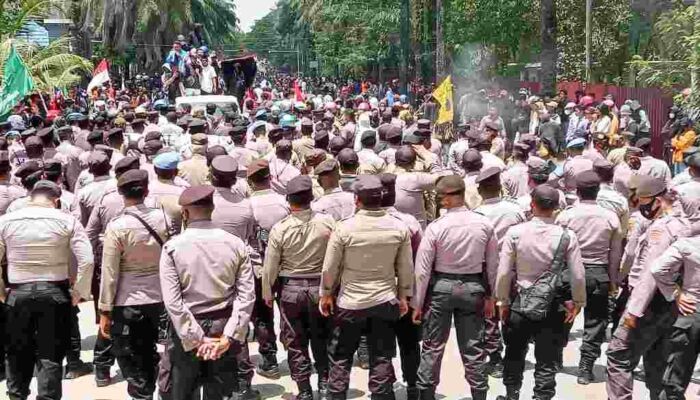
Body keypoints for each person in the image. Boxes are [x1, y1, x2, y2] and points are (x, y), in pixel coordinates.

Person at [320, 175, 413, 400]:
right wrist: (404, 297)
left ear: (356, 200)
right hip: (384, 301)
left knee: (341, 355)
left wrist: (326, 294)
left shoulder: (344, 229)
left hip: (350, 302)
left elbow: (330, 268)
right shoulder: (399, 228)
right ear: (380, 198)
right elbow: (406, 269)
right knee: (381, 356)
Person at [160, 185, 256, 400]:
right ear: (212, 208)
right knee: (221, 393)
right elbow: (246, 296)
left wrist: (197, 339)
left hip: (186, 330)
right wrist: (228, 337)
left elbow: (173, 302)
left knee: (182, 392)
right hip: (223, 325)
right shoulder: (235, 244)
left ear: (184, 213)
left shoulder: (173, 247)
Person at [0, 180, 94, 400]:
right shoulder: (67, 220)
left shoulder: (5, 221)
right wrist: (80, 291)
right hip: (55, 293)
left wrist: (2, 292)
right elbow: (87, 260)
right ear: (57, 200)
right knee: (51, 354)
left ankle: (16, 395)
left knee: (16, 351)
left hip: (18, 293)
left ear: (31, 197)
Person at [606, 175, 693, 400]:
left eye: (642, 200)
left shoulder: (663, 228)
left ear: (656, 200)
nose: (639, 205)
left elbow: (650, 273)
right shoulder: (684, 223)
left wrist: (633, 311)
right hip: (669, 304)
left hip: (649, 302)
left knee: (619, 354)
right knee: (657, 362)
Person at [495, 185, 586, 400]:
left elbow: (504, 272)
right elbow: (578, 275)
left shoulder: (515, 233)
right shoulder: (567, 236)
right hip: (552, 305)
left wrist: (503, 301)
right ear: (556, 207)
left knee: (514, 352)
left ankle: (511, 394)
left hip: (520, 303)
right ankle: (542, 397)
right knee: (547, 358)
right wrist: (578, 301)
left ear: (532, 205)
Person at [412, 175, 498, 400]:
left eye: (442, 196)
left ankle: (426, 395)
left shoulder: (436, 227)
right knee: (473, 348)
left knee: (432, 346)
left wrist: (418, 304)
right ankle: (479, 394)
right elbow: (493, 265)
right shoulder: (484, 224)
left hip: (442, 288)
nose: (439, 200)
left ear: (452, 197)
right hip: (473, 288)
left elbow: (422, 270)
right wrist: (492, 297)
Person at [261, 175, 335, 400]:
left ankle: (304, 391)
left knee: (295, 341)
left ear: (288, 200)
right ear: (311, 198)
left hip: (291, 290)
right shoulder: (328, 222)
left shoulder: (280, 229)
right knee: (322, 337)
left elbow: (270, 266)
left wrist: (267, 292)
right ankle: (324, 383)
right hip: (320, 290)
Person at [98, 169, 169, 399]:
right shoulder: (163, 218)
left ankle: (142, 393)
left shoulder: (117, 226)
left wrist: (105, 310)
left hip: (128, 302)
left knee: (131, 353)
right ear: (146, 191)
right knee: (150, 350)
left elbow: (110, 272)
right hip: (160, 297)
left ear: (121, 193)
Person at [555, 171, 623, 385]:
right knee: (596, 322)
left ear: (577, 191)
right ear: (598, 191)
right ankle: (586, 366)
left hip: (569, 273)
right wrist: (613, 280)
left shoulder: (566, 215)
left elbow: (555, 249)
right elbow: (615, 253)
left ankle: (556, 354)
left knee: (561, 315)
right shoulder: (610, 217)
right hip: (598, 273)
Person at [474, 167, 526, 377]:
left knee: (489, 316)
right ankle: (513, 356)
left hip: (487, 269)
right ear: (499, 187)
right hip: (513, 268)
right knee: (511, 312)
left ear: (480, 191)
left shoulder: (477, 214)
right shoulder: (515, 211)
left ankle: (495, 358)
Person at [649, 225, 700, 400]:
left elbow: (657, 269)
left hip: (692, 310)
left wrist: (675, 293)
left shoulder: (688, 245)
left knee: (675, 381)